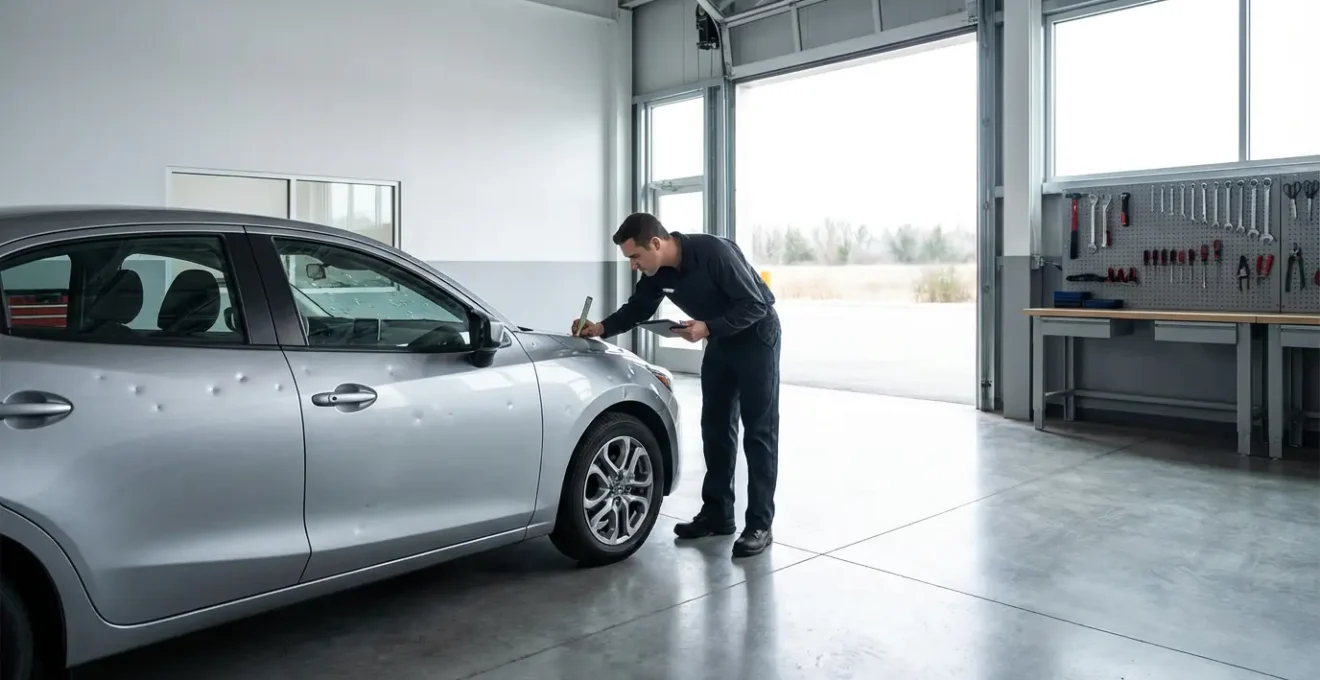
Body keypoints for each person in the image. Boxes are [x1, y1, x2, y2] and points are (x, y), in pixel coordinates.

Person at [572, 212, 780, 558]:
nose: (634, 266)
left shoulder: (714, 253)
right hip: (719, 340)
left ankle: (759, 524)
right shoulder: (658, 273)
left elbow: (756, 304)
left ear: (656, 243)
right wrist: (600, 329)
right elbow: (637, 308)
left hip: (757, 336)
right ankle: (717, 514)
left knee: (759, 431)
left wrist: (707, 327)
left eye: (635, 257)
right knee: (715, 427)